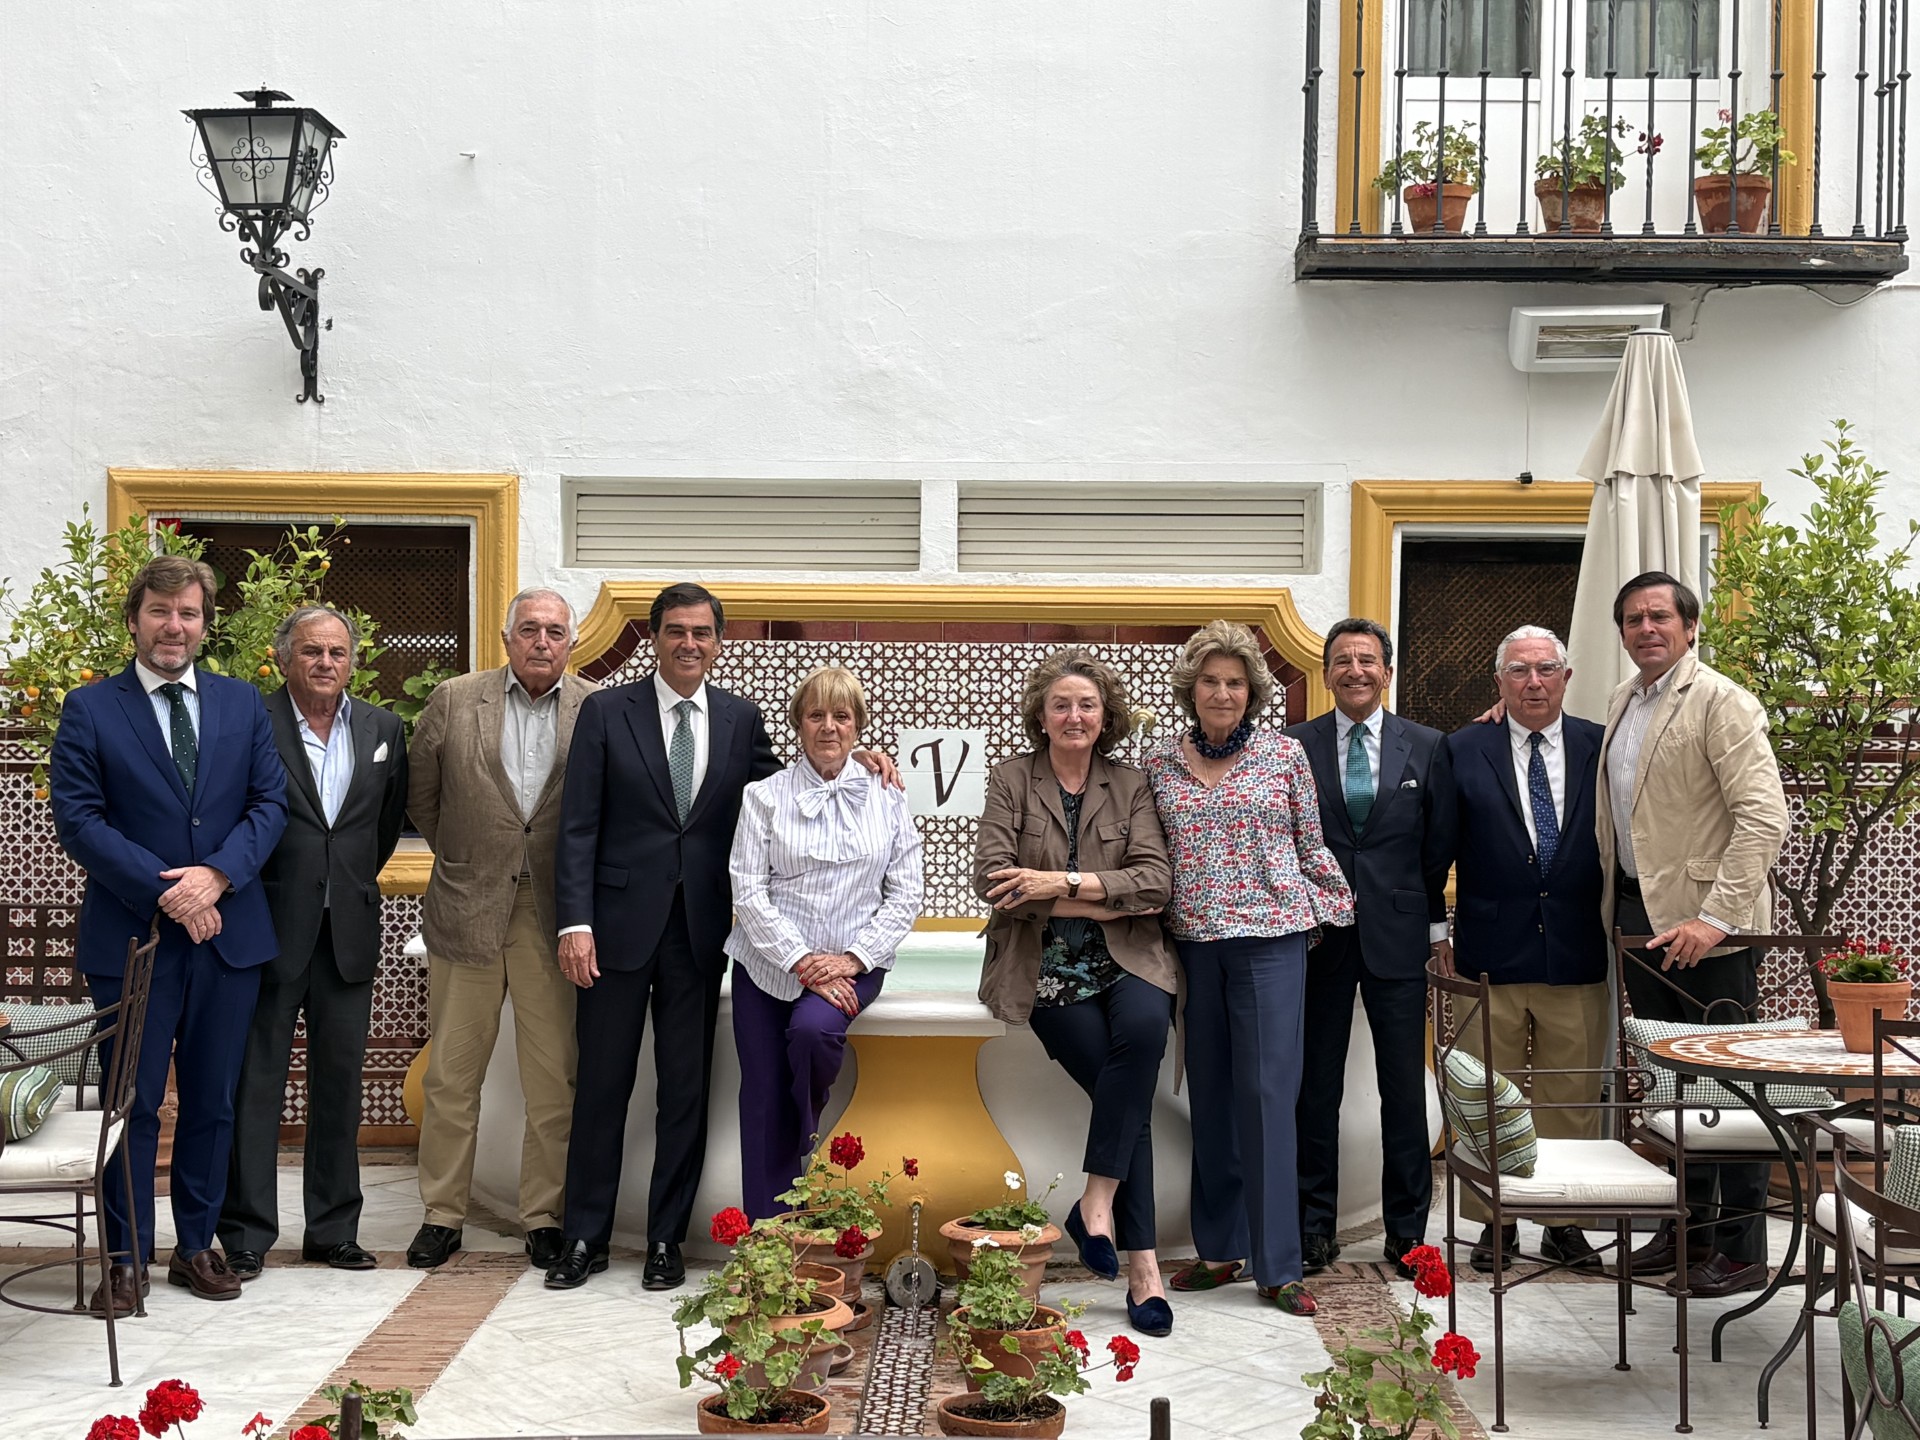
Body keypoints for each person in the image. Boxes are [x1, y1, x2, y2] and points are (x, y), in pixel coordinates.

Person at [49, 555, 289, 1311]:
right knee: (134, 1104)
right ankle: (125, 1258)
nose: (174, 626)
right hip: (133, 942)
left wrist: (214, 877)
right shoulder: (90, 709)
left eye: (188, 613)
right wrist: (174, 893)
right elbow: (79, 821)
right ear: (134, 619)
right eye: (160, 611)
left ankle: (196, 1245)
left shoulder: (242, 704)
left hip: (229, 936)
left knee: (214, 1101)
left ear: (205, 624)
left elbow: (269, 805)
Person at [1144, 621, 1353, 1317]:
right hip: (1195, 945)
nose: (1222, 692)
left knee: (1267, 1097)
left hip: (1272, 940)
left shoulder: (1283, 756)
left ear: (1252, 692)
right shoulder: (1158, 764)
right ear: (1191, 689)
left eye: (1235, 682)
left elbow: (1310, 841)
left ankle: (1279, 1264)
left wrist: (1324, 914)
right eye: (1210, 681)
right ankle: (1219, 1248)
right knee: (1210, 1096)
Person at [975, 647, 1180, 1337]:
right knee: (1132, 1101)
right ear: (1042, 713)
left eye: (1086, 705)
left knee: (1147, 1031)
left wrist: (1060, 885)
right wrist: (1102, 899)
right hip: (1047, 972)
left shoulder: (1131, 784)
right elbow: (996, 883)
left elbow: (1156, 885)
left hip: (1132, 960)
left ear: (1105, 716)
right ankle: (1144, 1270)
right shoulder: (1011, 780)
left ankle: (1096, 1208)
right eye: (1061, 704)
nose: (1074, 715)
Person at [1597, 571, 1788, 1299]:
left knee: (1729, 1088)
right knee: (1674, 1088)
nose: (1646, 629)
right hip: (1642, 921)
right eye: (1633, 620)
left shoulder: (1722, 702)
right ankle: (1689, 1231)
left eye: (1659, 617)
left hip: (1711, 934)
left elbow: (1764, 817)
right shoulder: (1623, 701)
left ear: (1690, 626)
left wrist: (1717, 917)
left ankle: (1740, 1249)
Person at [404, 588, 599, 1273]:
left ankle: (542, 1216)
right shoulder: (456, 700)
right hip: (466, 909)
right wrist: (469, 856)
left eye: (553, 630)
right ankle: (442, 1214)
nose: (541, 641)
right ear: (506, 635)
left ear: (571, 642)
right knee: (453, 1077)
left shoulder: (594, 706)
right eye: (528, 629)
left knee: (553, 1080)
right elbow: (421, 797)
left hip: (554, 917)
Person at [218, 606, 409, 1279]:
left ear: (352, 660)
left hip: (349, 931)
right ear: (284, 658)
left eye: (336, 651)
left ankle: (333, 1231)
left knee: (341, 1085)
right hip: (267, 929)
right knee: (257, 1083)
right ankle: (245, 1232)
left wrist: (345, 882)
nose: (325, 662)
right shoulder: (251, 722)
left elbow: (380, 829)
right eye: (311, 651)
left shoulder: (384, 728)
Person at [1285, 617, 1455, 1281]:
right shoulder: (1292, 746)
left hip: (1398, 935)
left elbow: (1437, 842)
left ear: (1387, 671)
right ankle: (1312, 1230)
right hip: (1318, 937)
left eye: (1368, 659)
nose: (1355, 670)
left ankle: (1407, 1235)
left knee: (1403, 1094)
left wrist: (1435, 925)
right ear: (1326, 673)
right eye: (1343, 661)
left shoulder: (1429, 746)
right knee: (1314, 1089)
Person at [726, 665, 923, 1220]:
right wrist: (803, 961)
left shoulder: (886, 797)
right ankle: (769, 1236)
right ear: (798, 724)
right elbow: (748, 889)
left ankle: (800, 1152)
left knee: (813, 1032)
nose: (829, 727)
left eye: (842, 715)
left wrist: (852, 959)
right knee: (761, 1094)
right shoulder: (763, 796)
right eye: (816, 715)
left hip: (856, 963)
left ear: (859, 726)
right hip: (768, 965)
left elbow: (906, 891)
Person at [1442, 625, 1607, 1274]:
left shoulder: (1602, 745)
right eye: (1518, 671)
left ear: (1566, 676)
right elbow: (1438, 848)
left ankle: (1566, 1222)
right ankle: (1494, 1222)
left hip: (1577, 950)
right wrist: (1439, 933)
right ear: (1499, 682)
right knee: (1487, 1095)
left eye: (1545, 670)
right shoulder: (1461, 749)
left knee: (1571, 1094)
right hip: (1487, 951)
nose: (1533, 682)